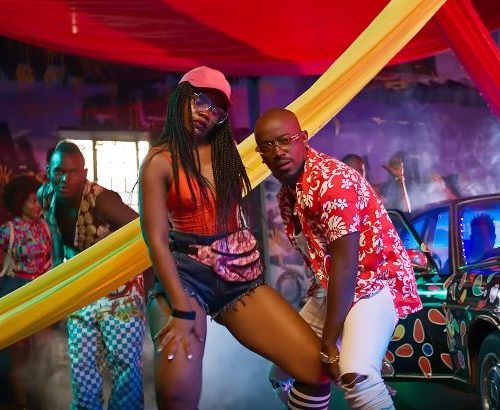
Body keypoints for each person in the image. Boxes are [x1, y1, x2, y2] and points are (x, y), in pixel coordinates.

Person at [139, 66, 332, 410]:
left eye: (217, 109)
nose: (206, 112)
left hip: (238, 276)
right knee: (177, 395)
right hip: (185, 278)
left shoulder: (228, 154)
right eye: (200, 100)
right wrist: (181, 307)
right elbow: (155, 240)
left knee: (316, 369)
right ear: (181, 98)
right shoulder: (160, 161)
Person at [254, 108, 423, 410]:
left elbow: (346, 267)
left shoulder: (332, 182)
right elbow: (325, 263)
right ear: (261, 155)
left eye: (285, 140)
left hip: (374, 284)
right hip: (334, 288)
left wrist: (330, 344)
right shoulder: (289, 194)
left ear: (303, 139)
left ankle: (369, 371)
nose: (278, 152)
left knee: (356, 375)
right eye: (267, 146)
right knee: (284, 371)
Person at [38, 141, 146, 410]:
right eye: (58, 172)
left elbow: (145, 236)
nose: (65, 179)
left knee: (124, 366)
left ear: (84, 173)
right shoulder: (46, 196)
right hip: (81, 290)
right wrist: (56, 283)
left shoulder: (103, 200)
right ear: (49, 172)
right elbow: (57, 238)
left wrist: (155, 290)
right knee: (81, 364)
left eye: (72, 172)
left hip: (120, 292)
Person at [0, 174, 52, 409]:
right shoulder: (7, 230)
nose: (37, 205)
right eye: (31, 201)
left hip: (43, 292)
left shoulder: (47, 226)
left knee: (44, 348)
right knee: (19, 351)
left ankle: (42, 399)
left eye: (38, 200)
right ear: (19, 202)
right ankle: (21, 403)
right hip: (17, 292)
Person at [341, 153, 412, 213]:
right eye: (353, 170)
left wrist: (399, 178)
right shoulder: (339, 200)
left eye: (361, 170)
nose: (358, 174)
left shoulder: (377, 193)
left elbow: (405, 213)